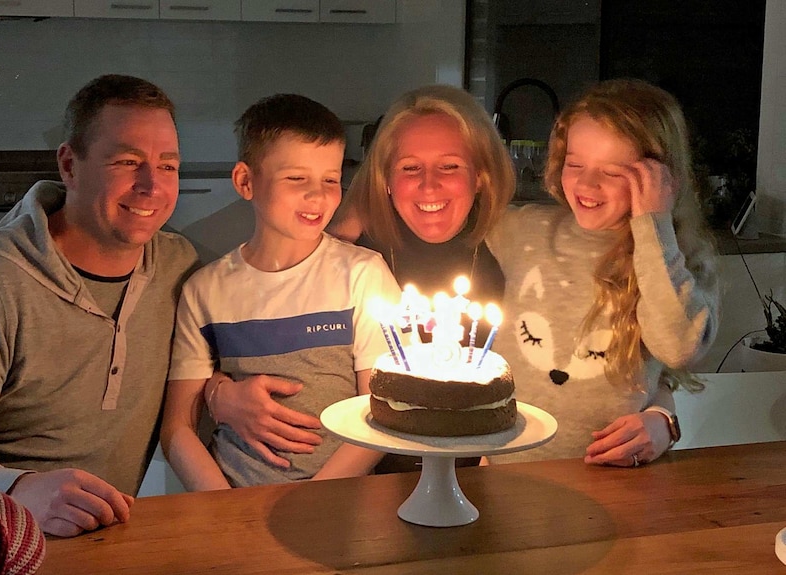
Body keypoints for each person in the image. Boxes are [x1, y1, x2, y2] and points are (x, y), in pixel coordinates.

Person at [0, 74, 199, 537]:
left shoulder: (179, 265)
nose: (151, 185)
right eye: (127, 161)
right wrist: (18, 488)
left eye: (168, 166)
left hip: (109, 540)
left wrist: (222, 393)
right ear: (70, 165)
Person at [206, 85, 517, 472]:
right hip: (365, 487)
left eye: (450, 166)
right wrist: (216, 393)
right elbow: (256, 319)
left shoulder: (514, 250)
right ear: (385, 179)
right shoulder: (350, 252)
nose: (429, 184)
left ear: (481, 175)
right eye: (410, 168)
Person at [161, 93, 401, 488]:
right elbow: (177, 429)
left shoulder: (362, 275)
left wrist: (312, 501)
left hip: (337, 501)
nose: (318, 196)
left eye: (331, 179)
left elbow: (381, 414)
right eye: (296, 179)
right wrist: (225, 509)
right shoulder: (206, 291)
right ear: (245, 181)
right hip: (234, 504)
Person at [485, 78, 720, 467]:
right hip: (504, 474)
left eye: (613, 172)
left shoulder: (682, 258)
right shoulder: (524, 230)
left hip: (611, 481)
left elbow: (678, 348)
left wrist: (652, 226)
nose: (586, 183)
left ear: (662, 180)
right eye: (575, 164)